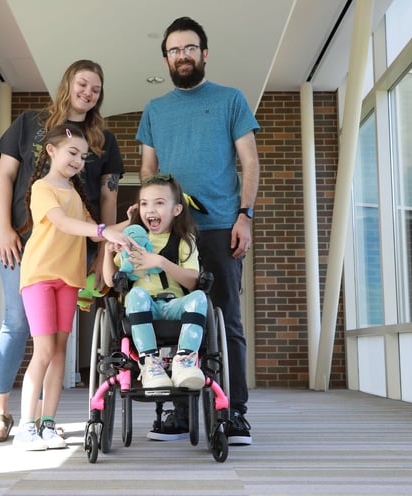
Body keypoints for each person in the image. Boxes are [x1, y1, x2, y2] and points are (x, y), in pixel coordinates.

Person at [0, 59, 124, 443]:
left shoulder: (103, 140)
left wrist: (103, 250)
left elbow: (108, 198)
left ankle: (45, 418)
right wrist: (4, 228)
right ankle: (1, 411)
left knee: (59, 340)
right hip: (24, 240)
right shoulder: (29, 122)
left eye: (96, 88)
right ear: (68, 83)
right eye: (82, 84)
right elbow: (5, 177)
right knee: (16, 322)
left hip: (73, 246)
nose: (88, 93)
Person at [136, 16, 260, 446]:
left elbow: (250, 161)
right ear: (166, 57)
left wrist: (245, 215)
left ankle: (235, 412)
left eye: (190, 48)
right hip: (172, 231)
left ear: (204, 54)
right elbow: (148, 170)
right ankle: (180, 411)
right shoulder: (155, 109)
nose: (182, 56)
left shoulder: (230, 100)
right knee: (171, 313)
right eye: (174, 50)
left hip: (220, 226)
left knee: (225, 319)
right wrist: (149, 214)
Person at [13, 124, 131, 450]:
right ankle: (26, 427)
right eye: (72, 153)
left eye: (82, 156)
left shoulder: (76, 196)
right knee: (44, 350)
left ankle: (48, 424)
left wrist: (130, 221)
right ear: (51, 151)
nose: (78, 161)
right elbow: (64, 224)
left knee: (60, 353)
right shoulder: (42, 188)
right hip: (39, 276)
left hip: (69, 280)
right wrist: (107, 230)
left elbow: (93, 233)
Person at [102, 174, 207, 393]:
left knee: (200, 297)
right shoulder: (131, 240)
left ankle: (184, 361)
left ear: (176, 210)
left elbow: (192, 281)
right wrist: (106, 251)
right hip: (142, 306)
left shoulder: (184, 239)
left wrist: (161, 262)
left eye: (159, 203)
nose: (151, 209)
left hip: (173, 306)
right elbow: (109, 280)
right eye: (144, 203)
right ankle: (150, 363)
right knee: (136, 294)